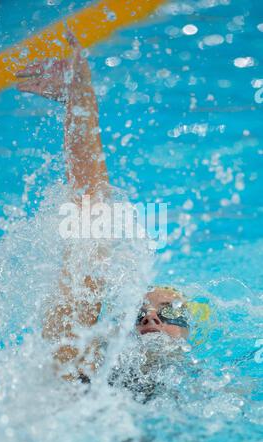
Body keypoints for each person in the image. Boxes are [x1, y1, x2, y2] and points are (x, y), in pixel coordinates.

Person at [16, 29, 190, 382]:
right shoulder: (87, 377)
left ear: (192, 334)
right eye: (136, 313)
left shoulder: (231, 392)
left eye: (170, 313)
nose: (150, 319)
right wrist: (80, 103)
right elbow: (91, 219)